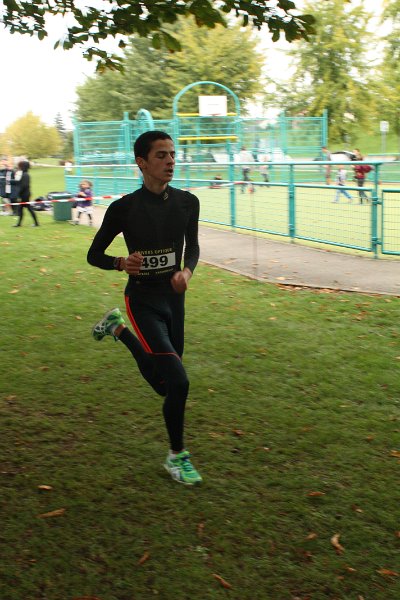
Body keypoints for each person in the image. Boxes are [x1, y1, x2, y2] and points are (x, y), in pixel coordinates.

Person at [87, 130, 202, 486]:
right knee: (178, 381)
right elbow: (94, 255)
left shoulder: (188, 202)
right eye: (161, 155)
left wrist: (186, 272)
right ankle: (176, 457)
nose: (170, 161)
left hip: (174, 299)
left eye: (173, 154)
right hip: (142, 300)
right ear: (142, 163)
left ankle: (116, 328)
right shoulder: (123, 208)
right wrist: (121, 263)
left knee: (165, 385)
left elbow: (193, 247)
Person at [13, 160, 39, 227]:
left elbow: (24, 186)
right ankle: (19, 224)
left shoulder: (25, 175)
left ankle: (36, 223)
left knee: (28, 208)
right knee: (22, 208)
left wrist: (18, 194)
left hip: (25, 195)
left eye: (20, 166)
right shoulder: (25, 174)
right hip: (25, 194)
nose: (19, 167)